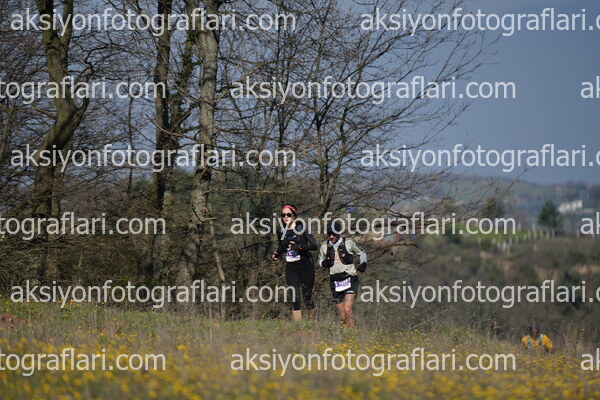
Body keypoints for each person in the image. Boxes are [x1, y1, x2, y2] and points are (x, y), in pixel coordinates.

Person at [271, 204, 317, 321]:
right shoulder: (281, 231)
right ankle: (298, 327)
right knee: (295, 296)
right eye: (283, 215)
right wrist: (277, 254)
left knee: (307, 296)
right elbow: (282, 246)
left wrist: (299, 247)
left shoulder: (302, 228)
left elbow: (314, 246)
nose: (285, 217)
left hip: (306, 266)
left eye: (288, 214)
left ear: (294, 216)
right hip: (291, 268)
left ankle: (311, 325)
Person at [318, 221, 367, 328]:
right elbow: (320, 259)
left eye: (334, 234)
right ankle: (346, 335)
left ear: (339, 232)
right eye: (329, 234)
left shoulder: (349, 242)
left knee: (348, 309)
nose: (331, 236)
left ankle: (353, 334)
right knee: (342, 316)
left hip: (349, 277)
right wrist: (323, 263)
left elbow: (362, 252)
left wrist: (363, 263)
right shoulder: (324, 246)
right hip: (335, 280)